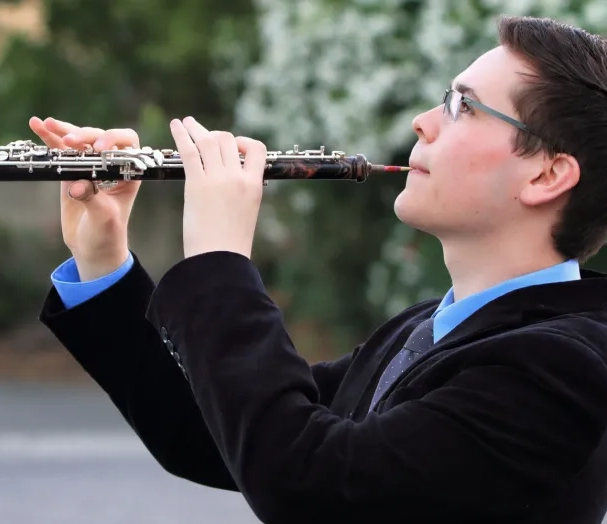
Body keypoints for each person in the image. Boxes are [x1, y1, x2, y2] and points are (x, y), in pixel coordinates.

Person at [32, 14, 607, 524]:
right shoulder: (425, 328)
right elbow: (213, 436)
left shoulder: (561, 366)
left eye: (463, 106)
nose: (422, 121)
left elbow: (308, 486)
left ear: (546, 176)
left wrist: (219, 259)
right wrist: (103, 257)